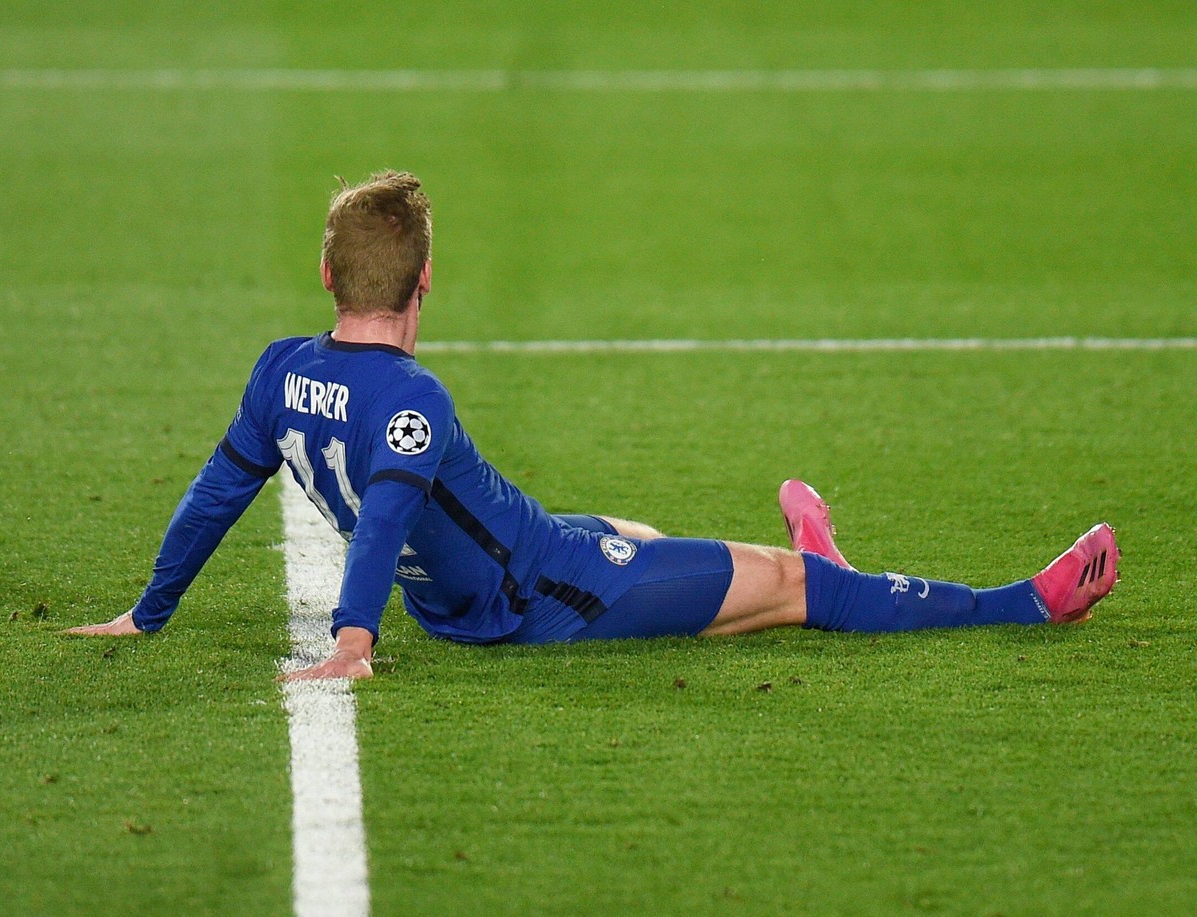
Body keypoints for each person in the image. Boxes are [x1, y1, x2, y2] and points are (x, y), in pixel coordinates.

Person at [66, 171, 1120, 679]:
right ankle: (1020, 603)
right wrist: (351, 641)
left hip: (476, 586)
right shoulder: (413, 400)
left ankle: (823, 568)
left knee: (649, 532)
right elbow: (383, 520)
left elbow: (219, 488)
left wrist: (146, 612)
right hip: (543, 589)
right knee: (783, 586)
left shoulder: (280, 369)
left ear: (327, 275)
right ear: (427, 279)